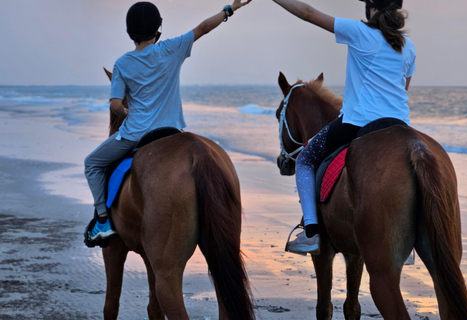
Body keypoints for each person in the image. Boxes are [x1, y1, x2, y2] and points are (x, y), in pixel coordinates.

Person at [84, 0, 251, 246]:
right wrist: (231, 9)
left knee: (93, 164)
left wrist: (131, 114)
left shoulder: (122, 64)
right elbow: (203, 27)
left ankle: (102, 221)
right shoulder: (172, 48)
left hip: (135, 135)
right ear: (157, 29)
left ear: (130, 33)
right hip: (172, 133)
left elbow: (115, 106)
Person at [272, 0, 416, 254]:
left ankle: (312, 233)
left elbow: (307, 13)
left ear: (371, 8)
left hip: (358, 122)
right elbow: (402, 90)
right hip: (400, 125)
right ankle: (408, 241)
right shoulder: (409, 47)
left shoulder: (360, 33)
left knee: (305, 159)